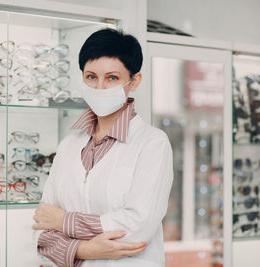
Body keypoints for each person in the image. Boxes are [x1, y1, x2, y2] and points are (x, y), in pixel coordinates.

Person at [32, 28, 173, 267]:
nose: (99, 88)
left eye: (112, 78)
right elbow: (42, 229)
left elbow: (137, 228)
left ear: (134, 81)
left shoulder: (152, 144)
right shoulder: (68, 146)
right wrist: (87, 249)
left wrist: (65, 222)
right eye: (91, 77)